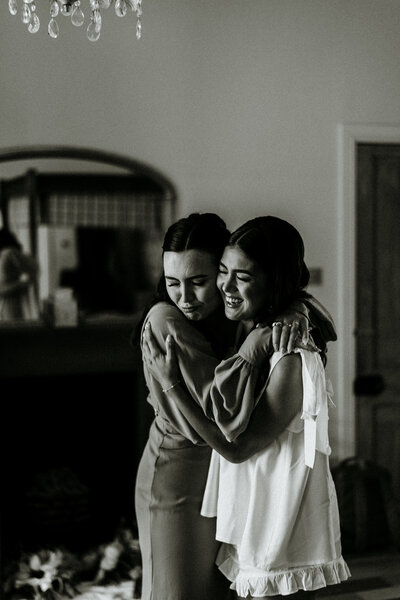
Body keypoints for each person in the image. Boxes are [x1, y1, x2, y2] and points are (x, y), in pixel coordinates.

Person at [142, 215, 350, 599]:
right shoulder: (190, 322)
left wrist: (172, 384)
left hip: (262, 501)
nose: (186, 297)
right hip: (213, 484)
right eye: (223, 272)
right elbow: (222, 411)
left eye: (201, 281)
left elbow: (235, 442)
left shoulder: (274, 338)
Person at [0, 228, 39, 321]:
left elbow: (33, 271)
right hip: (6, 299)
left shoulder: (9, 253)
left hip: (9, 301)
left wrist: (22, 284)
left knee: (12, 327)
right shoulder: (5, 254)